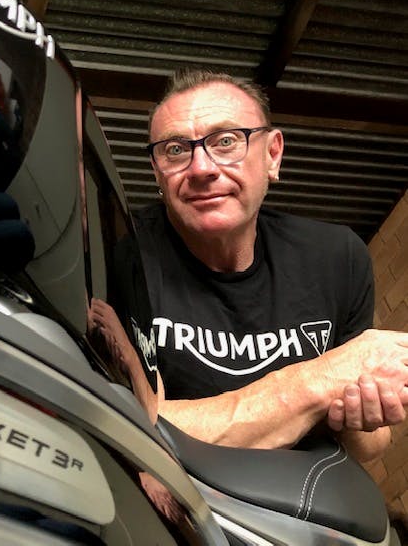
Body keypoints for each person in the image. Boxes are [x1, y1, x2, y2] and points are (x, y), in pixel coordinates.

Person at [129, 67, 408, 464]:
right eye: (175, 150)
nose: (201, 168)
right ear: (158, 171)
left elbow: (372, 444)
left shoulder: (335, 256)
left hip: (297, 504)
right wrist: (314, 382)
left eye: (226, 141)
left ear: (272, 154)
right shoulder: (122, 252)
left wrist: (358, 409)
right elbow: (134, 426)